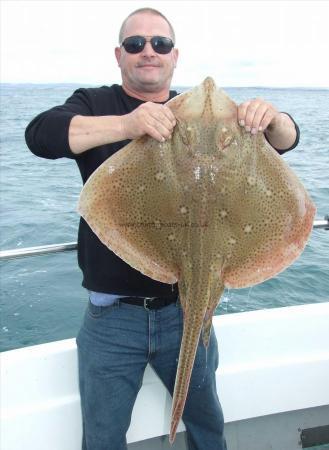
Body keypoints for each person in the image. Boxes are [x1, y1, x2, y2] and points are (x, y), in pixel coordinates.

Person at [25, 7, 300, 450]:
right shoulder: (97, 104)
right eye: (136, 44)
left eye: (160, 43)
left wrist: (274, 121)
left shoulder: (201, 116)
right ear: (119, 55)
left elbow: (287, 139)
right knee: (102, 437)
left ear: (176, 56)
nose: (148, 51)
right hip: (112, 318)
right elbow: (40, 135)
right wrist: (129, 124)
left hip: (186, 310)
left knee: (208, 427)